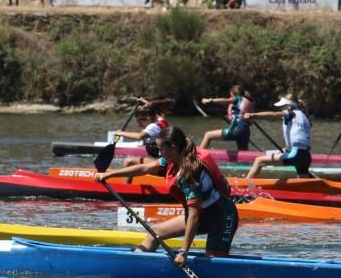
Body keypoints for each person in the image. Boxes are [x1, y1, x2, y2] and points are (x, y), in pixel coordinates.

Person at [94, 126, 238, 266]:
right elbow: (144, 168)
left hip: (222, 217)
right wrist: (109, 175)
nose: (159, 152)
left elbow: (194, 215)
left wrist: (183, 252)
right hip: (203, 213)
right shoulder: (175, 158)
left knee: (214, 265)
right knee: (155, 233)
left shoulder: (187, 174)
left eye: (161, 148)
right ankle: (134, 266)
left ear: (173, 147)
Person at [243, 96, 313, 180]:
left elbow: (274, 114)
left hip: (296, 155)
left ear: (289, 106)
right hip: (306, 156)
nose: (281, 109)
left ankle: (243, 186)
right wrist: (288, 149)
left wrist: (253, 115)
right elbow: (300, 137)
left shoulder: (291, 113)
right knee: (302, 185)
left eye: (282, 107)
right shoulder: (304, 116)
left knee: (259, 160)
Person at [113, 99, 174, 167]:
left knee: (129, 161)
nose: (139, 125)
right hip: (167, 161)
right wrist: (144, 101)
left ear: (147, 119)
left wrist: (121, 133)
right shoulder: (161, 121)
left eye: (139, 123)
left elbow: (139, 136)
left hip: (164, 163)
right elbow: (152, 110)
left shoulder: (153, 127)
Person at [199, 86, 255, 151]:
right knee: (244, 153)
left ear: (233, 94)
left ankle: (197, 158)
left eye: (230, 96)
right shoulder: (247, 102)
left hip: (236, 130)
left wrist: (210, 100)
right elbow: (251, 122)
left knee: (208, 135)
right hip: (246, 131)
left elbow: (226, 100)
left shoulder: (238, 98)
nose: (230, 98)